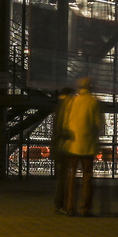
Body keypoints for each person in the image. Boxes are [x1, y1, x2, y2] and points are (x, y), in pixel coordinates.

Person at [61, 76, 104, 216]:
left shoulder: (72, 101)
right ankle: (85, 207)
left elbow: (66, 122)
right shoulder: (93, 102)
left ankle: (69, 206)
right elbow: (98, 124)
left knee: (72, 177)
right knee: (87, 177)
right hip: (87, 145)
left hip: (73, 145)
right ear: (90, 87)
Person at [51, 85, 74, 214]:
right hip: (62, 146)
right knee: (63, 177)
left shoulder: (59, 106)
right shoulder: (65, 107)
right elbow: (61, 128)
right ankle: (61, 204)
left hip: (58, 146)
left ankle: (60, 203)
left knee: (62, 176)